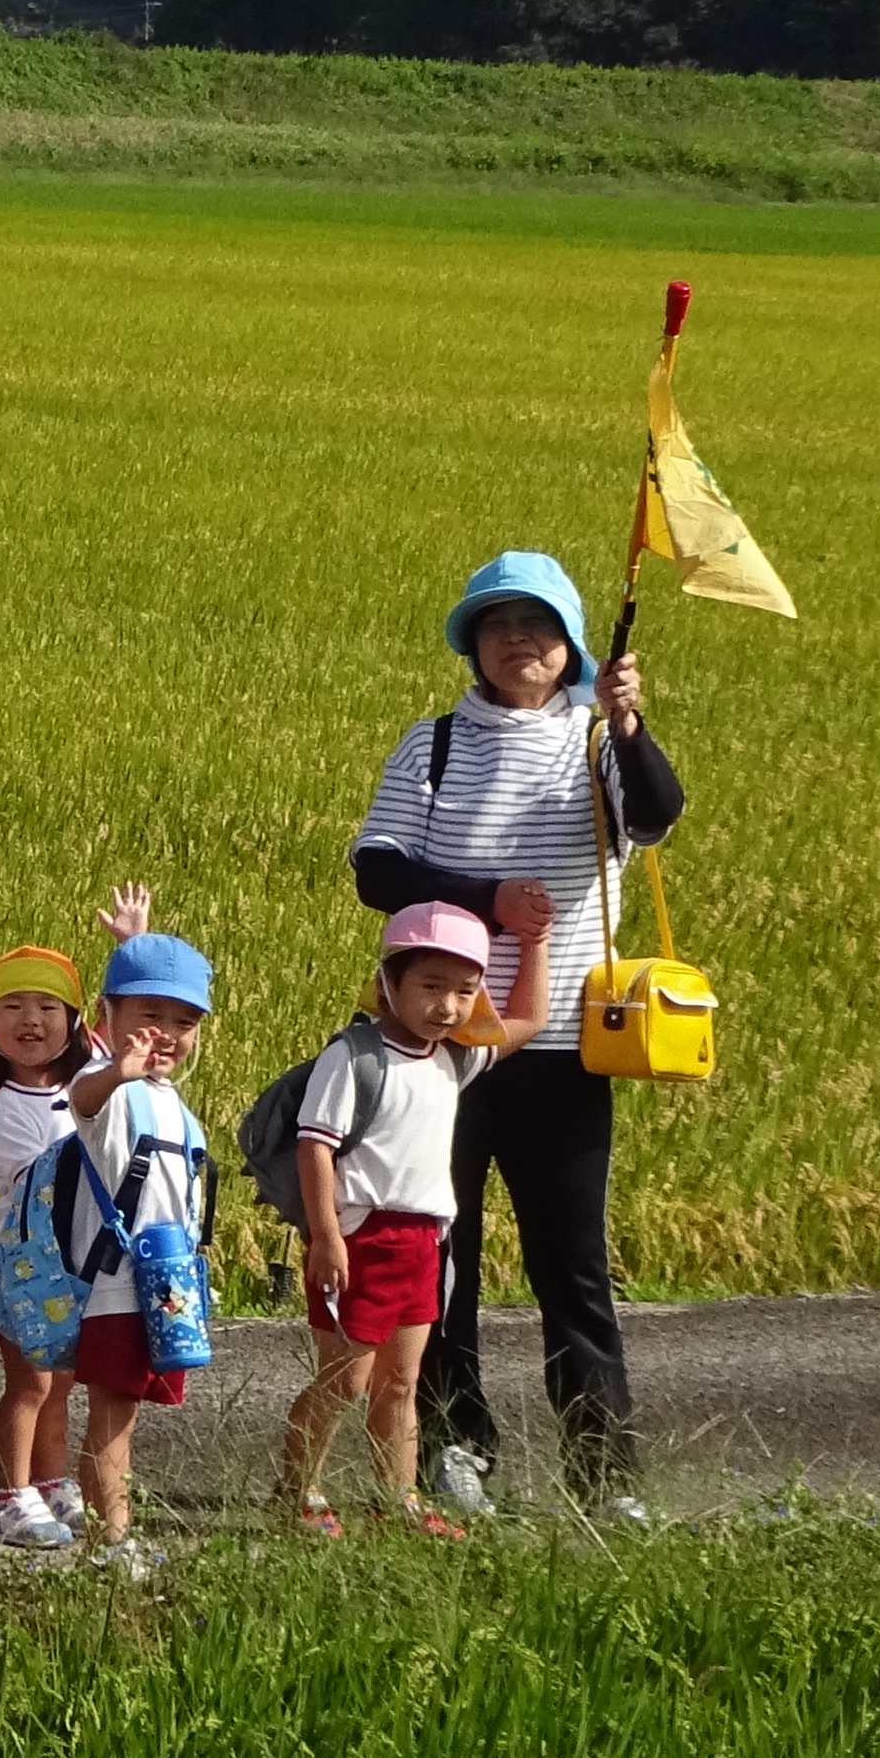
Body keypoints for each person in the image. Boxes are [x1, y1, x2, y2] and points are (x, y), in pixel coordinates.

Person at [348, 548, 685, 1523]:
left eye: (537, 626)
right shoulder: (435, 744)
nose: (516, 641)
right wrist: (485, 898)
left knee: (572, 1270)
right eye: (496, 625)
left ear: (572, 644)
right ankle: (457, 1453)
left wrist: (630, 725)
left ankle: (605, 1475)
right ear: (473, 643)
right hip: (438, 1052)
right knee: (439, 1265)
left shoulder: (597, 743)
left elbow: (656, 816)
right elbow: (377, 868)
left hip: (566, 1049)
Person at [278, 903, 505, 1539]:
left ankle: (398, 1500)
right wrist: (328, 1238)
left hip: (424, 1241)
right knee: (344, 1381)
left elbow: (530, 1021)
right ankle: (297, 1494)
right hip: (361, 1238)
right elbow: (314, 1147)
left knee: (402, 1383)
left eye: (465, 991)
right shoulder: (353, 1056)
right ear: (388, 982)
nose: (448, 1007)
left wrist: (536, 940)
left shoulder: (453, 1060)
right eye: (431, 985)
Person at [58, 926, 217, 1571]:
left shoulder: (174, 1103)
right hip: (118, 1287)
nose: (167, 1034)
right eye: (150, 1015)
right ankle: (111, 1544)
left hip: (167, 1288)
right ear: (108, 1016)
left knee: (128, 1414)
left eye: (184, 1021)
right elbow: (82, 1100)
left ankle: (110, 1534)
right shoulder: (112, 1089)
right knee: (114, 1415)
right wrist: (116, 1072)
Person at [0, 941, 92, 1550]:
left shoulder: (86, 1087)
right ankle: (9, 1493)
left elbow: (128, 1045)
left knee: (61, 1382)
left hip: (75, 1264)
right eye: (11, 1006)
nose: (31, 1020)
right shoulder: (8, 1109)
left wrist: (131, 946)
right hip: (27, 1270)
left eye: (47, 1006)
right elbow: (45, 1184)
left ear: (75, 1022)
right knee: (31, 1384)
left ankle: (50, 1479)